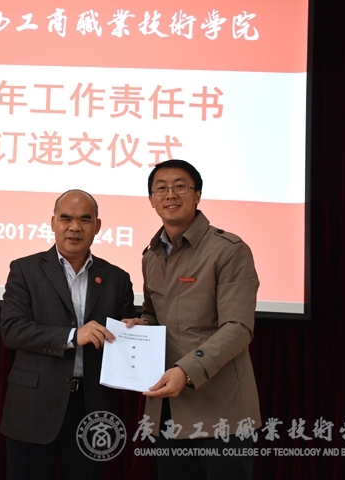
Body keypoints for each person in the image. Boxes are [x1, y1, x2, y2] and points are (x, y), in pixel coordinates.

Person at [124, 160, 261, 480]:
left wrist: (186, 370)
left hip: (221, 410)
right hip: (167, 410)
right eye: (161, 188)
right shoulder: (151, 256)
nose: (170, 194)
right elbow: (153, 314)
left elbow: (238, 328)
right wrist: (142, 326)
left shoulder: (229, 250)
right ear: (151, 200)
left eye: (180, 186)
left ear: (197, 195)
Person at [0, 189, 137, 480]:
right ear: (53, 223)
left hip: (92, 405)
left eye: (85, 220)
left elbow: (125, 335)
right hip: (34, 404)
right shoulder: (25, 270)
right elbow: (12, 330)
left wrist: (138, 331)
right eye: (66, 219)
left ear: (97, 226)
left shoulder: (117, 278)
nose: (75, 227)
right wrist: (73, 336)